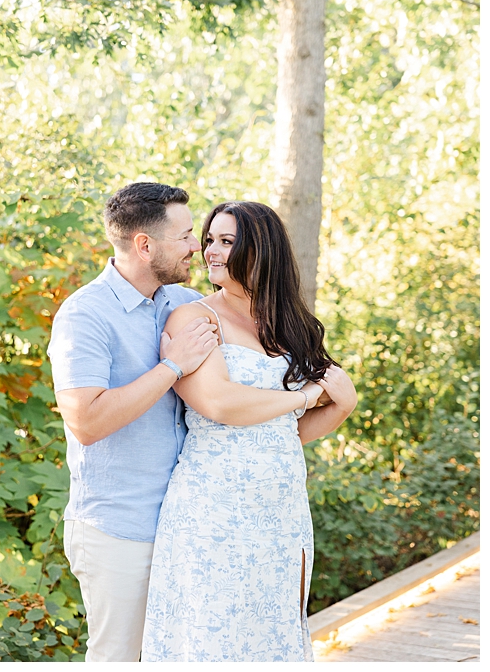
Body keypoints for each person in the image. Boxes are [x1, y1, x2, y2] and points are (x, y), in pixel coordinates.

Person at [47, 182, 355, 661]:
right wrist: (173, 368)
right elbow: (86, 423)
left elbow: (269, 432)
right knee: (125, 657)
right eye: (191, 236)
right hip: (123, 521)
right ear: (145, 245)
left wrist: (338, 404)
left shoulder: (178, 300)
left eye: (211, 238)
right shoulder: (87, 315)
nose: (200, 247)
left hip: (216, 508)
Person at [142, 202, 357, 661]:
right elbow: (220, 403)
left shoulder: (288, 324)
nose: (210, 252)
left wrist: (344, 404)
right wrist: (304, 396)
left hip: (281, 511)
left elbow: (290, 433)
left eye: (226, 242)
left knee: (273, 633)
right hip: (214, 509)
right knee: (213, 636)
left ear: (261, 251)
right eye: (208, 241)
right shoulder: (195, 319)